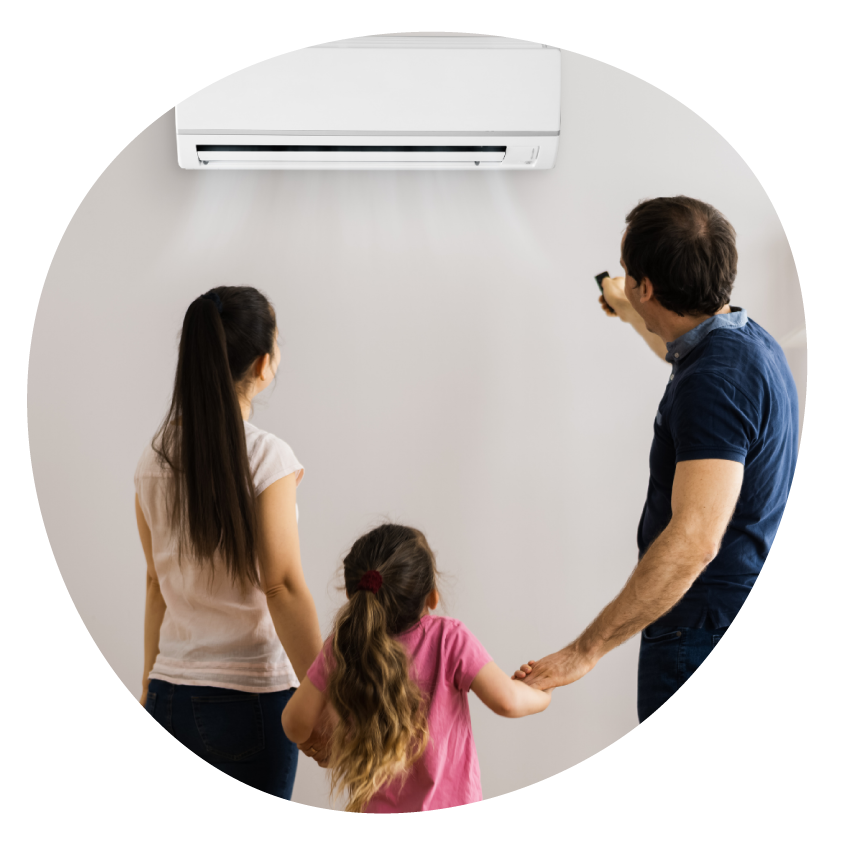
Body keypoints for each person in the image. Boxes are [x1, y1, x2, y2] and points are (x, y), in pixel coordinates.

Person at [514, 196, 798, 723]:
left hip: (699, 631)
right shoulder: (744, 341)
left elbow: (694, 540)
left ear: (649, 287)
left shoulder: (713, 383)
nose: (624, 282)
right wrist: (628, 311)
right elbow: (683, 355)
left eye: (630, 278)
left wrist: (585, 650)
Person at [135, 286, 324, 798]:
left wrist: (151, 684)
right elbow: (281, 586)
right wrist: (324, 694)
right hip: (250, 701)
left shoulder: (153, 462)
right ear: (263, 365)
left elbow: (156, 584)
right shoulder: (268, 458)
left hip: (169, 694)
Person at [281, 523, 552, 812]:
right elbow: (508, 701)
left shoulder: (341, 646)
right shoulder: (449, 638)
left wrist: (328, 744)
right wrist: (542, 692)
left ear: (353, 596)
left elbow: (293, 722)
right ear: (432, 596)